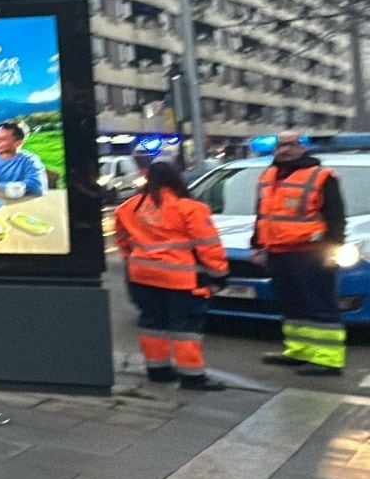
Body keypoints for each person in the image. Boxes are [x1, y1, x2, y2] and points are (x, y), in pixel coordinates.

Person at [114, 160, 228, 391]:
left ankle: (158, 370)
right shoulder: (191, 208)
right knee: (186, 328)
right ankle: (192, 376)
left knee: (152, 324)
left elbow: (122, 239)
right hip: (181, 280)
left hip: (142, 277)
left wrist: (134, 258)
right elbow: (208, 246)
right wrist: (219, 274)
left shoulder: (130, 207)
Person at [254, 132, 347, 377]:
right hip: (278, 251)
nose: (285, 150)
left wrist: (332, 250)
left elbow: (336, 218)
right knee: (292, 305)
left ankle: (328, 360)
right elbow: (262, 215)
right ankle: (299, 351)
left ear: (302, 147)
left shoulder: (322, 176)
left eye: (291, 145)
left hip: (311, 252)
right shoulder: (268, 175)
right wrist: (257, 245)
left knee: (319, 305)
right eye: (281, 145)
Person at [0, 121, 46, 196]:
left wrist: (1, 186)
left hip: (16, 202)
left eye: (2, 139)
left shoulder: (30, 160)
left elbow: (37, 186)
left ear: (18, 143)